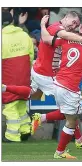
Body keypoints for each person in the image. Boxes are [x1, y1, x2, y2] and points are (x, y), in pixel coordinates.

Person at [2, 12, 82, 147]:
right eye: (73, 21)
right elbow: (57, 36)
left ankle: (5, 88)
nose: (73, 25)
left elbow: (50, 39)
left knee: (33, 94)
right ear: (65, 17)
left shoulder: (58, 30)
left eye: (76, 24)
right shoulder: (56, 28)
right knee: (68, 111)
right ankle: (79, 139)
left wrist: (42, 25)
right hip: (47, 76)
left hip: (38, 70)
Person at [40, 15, 82, 159]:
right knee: (72, 120)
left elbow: (47, 40)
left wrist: (42, 25)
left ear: (80, 27)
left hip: (58, 82)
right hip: (70, 87)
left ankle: (42, 118)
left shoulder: (66, 38)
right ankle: (60, 151)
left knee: (68, 114)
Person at [2, 11, 34, 142]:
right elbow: (31, 56)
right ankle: (25, 130)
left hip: (8, 76)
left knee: (10, 106)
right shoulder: (24, 35)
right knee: (21, 104)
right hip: (24, 76)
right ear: (12, 21)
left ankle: (12, 136)